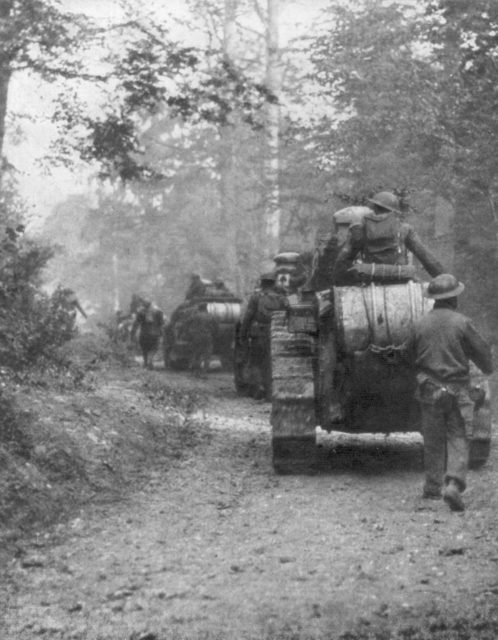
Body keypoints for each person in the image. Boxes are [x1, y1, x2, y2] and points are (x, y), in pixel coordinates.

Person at [404, 274, 493, 511]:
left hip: (429, 391)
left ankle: (432, 487)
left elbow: (406, 356)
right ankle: (453, 483)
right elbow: (483, 356)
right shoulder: (462, 323)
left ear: (433, 299)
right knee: (458, 436)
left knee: (433, 439)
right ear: (453, 298)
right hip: (457, 391)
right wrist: (486, 366)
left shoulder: (419, 324)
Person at [335, 191, 445, 284]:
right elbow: (426, 257)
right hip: (400, 278)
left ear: (374, 207)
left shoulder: (360, 229)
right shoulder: (404, 229)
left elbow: (342, 260)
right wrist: (445, 278)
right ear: (393, 211)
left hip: (370, 279)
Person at [239, 272, 288, 400]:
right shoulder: (282, 298)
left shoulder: (256, 297)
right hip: (277, 334)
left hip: (258, 335)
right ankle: (270, 390)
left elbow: (248, 316)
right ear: (273, 283)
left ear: (262, 283)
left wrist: (242, 334)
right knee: (271, 362)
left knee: (256, 362)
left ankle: (259, 387)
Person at [179, 302, 218, 376]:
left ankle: (195, 371)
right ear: (206, 308)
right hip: (207, 337)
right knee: (207, 355)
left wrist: (188, 333)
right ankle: (204, 372)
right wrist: (213, 334)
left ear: (199, 308)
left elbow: (185, 324)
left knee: (196, 354)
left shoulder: (195, 316)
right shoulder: (211, 316)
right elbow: (216, 327)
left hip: (196, 337)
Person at [131, 299, 165, 369]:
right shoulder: (158, 311)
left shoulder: (141, 312)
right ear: (151, 304)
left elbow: (136, 323)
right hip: (155, 334)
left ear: (144, 305)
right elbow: (162, 323)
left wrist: (133, 333)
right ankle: (150, 359)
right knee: (155, 347)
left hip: (144, 334)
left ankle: (146, 362)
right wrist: (161, 332)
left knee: (144, 348)